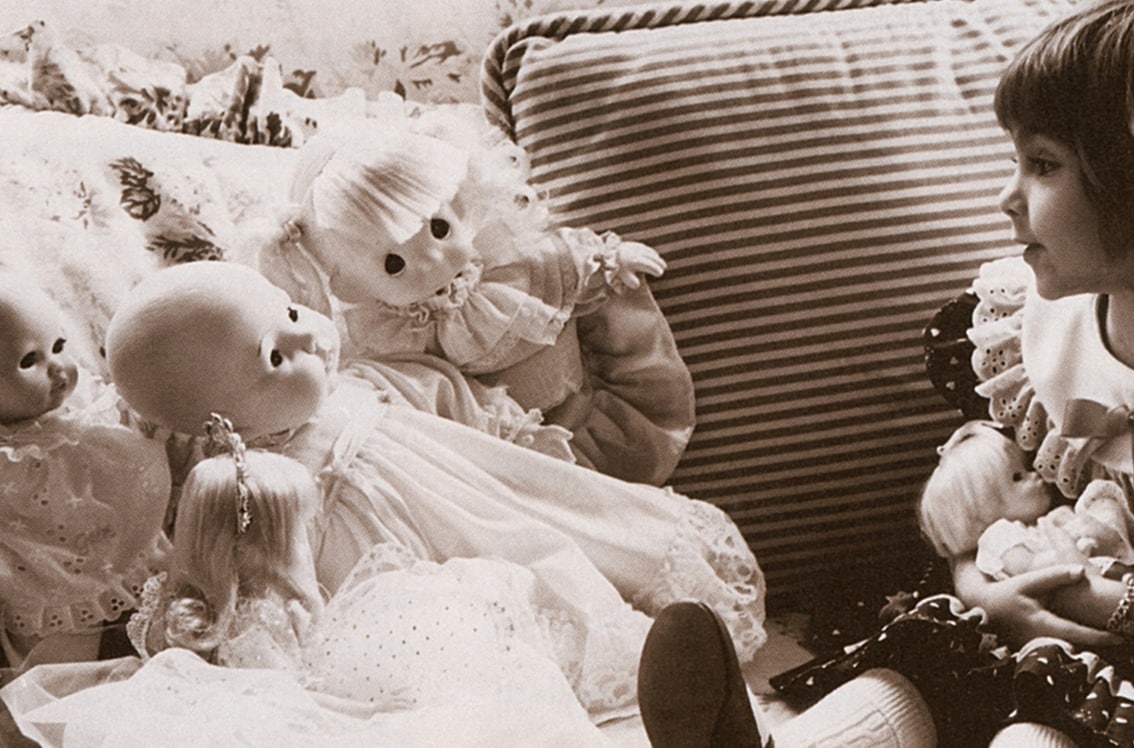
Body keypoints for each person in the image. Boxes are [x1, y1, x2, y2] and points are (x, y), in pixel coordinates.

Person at [638, 1, 1134, 745]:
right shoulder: (1038, 335)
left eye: (1043, 165)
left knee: (1047, 727)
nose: (1005, 196)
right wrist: (984, 586)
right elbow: (1007, 506)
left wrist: (1112, 606)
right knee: (932, 657)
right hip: (1058, 614)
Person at [99, 260, 767, 660]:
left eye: (293, 310)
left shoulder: (358, 385)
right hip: (408, 587)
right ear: (222, 422)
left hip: (488, 502)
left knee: (574, 540)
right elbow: (268, 583)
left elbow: (450, 406)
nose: (309, 337)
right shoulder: (261, 487)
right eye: (276, 356)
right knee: (506, 625)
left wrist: (515, 431)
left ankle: (669, 635)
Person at [3, 427, 629, 745]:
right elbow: (286, 691)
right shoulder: (262, 615)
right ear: (272, 542)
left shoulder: (199, 607)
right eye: (305, 529)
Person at [262, 115, 696, 485]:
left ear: (458, 204)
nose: (432, 260)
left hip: (587, 422)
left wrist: (609, 262)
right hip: (499, 466)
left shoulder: (508, 265)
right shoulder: (379, 335)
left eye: (439, 229)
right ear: (349, 287)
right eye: (393, 264)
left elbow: (562, 265)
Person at [0, 279, 170, 673]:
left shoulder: (88, 405)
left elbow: (131, 449)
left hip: (123, 551)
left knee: (155, 633)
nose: (58, 368)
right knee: (60, 672)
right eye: (30, 361)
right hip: (44, 584)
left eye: (59, 346)